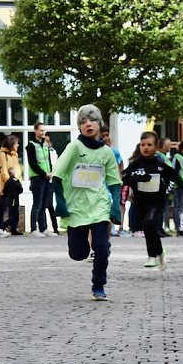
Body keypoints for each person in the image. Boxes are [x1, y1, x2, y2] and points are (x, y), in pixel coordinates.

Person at [52, 105, 121, 301]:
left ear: (99, 124)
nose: (88, 124)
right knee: (78, 253)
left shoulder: (107, 152)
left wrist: (115, 206)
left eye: (92, 121)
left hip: (99, 205)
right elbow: (56, 176)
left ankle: (98, 284)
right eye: (83, 122)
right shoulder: (74, 147)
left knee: (100, 247)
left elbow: (115, 181)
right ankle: (85, 250)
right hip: (76, 208)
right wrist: (61, 203)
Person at [121, 132, 183, 269]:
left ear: (156, 147)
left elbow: (173, 176)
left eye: (149, 145)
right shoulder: (136, 164)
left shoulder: (159, 165)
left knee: (149, 224)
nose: (146, 148)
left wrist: (167, 192)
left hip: (156, 202)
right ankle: (160, 253)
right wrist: (139, 178)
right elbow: (124, 178)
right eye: (143, 145)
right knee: (147, 228)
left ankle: (151, 256)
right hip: (140, 202)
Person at [26, 122, 53, 238]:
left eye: (44, 130)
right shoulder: (31, 145)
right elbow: (33, 163)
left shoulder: (46, 144)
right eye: (41, 130)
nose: (43, 133)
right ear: (35, 131)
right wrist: (43, 173)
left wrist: (50, 172)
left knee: (44, 204)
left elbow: (48, 160)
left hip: (47, 177)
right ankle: (33, 228)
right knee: (37, 204)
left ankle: (43, 228)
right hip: (37, 178)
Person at [0, 135, 22, 235]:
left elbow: (17, 168)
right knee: (7, 207)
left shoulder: (14, 155)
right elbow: (3, 169)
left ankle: (14, 228)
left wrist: (18, 181)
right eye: (16, 143)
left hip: (15, 184)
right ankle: (2, 227)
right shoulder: (3, 154)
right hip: (8, 185)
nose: (18, 145)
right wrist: (9, 181)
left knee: (15, 208)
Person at [3, 167, 24, 235]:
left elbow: (4, 191)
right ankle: (4, 225)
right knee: (14, 215)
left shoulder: (8, 181)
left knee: (12, 214)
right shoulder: (14, 181)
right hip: (14, 200)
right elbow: (20, 189)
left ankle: (13, 229)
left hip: (10, 199)